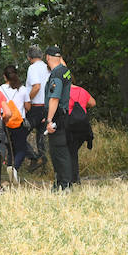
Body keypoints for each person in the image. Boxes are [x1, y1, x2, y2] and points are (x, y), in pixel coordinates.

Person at [43, 47, 75, 190]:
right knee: (63, 150)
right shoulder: (65, 71)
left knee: (58, 151)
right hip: (64, 114)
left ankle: (64, 184)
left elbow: (54, 98)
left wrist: (49, 120)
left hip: (57, 116)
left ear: (47, 58)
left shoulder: (56, 74)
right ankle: (63, 183)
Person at [0, 65, 31, 182]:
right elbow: (28, 106)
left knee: (10, 147)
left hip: (5, 122)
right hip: (19, 122)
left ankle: (10, 167)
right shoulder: (22, 89)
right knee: (21, 149)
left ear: (4, 76)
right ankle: (15, 168)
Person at [24, 47, 50, 170]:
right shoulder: (47, 68)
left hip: (35, 107)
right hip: (47, 107)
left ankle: (33, 157)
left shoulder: (33, 68)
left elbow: (36, 87)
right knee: (41, 138)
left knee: (19, 135)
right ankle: (43, 164)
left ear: (29, 57)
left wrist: (27, 100)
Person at [66, 82, 96, 185]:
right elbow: (93, 103)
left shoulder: (63, 91)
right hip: (84, 126)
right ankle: (74, 178)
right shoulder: (82, 90)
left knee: (71, 152)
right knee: (73, 152)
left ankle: (73, 179)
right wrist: (82, 106)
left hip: (71, 125)